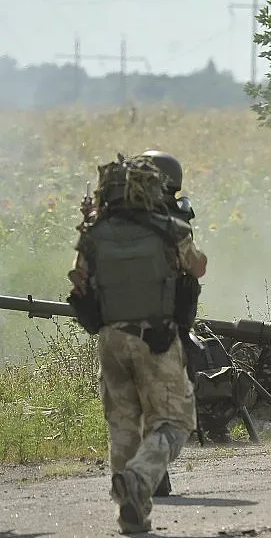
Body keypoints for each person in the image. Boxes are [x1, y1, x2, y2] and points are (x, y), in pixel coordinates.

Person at [67, 153, 206, 534]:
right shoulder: (168, 229)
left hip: (110, 339)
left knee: (123, 427)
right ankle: (141, 479)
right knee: (174, 421)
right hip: (156, 338)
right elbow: (197, 267)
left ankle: (131, 512)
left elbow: (79, 282)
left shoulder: (94, 233)